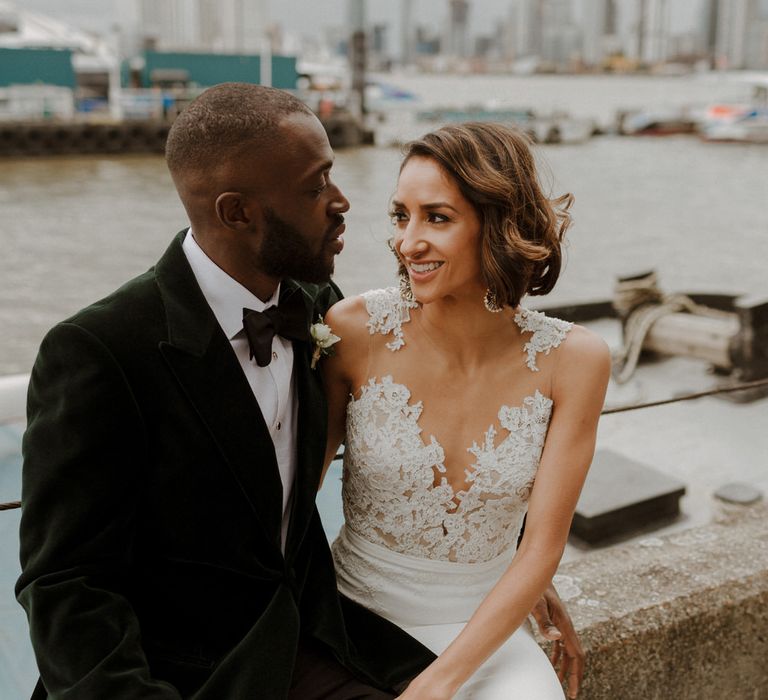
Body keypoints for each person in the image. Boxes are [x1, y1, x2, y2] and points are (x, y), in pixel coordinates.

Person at [17, 83, 582, 699]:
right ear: (238, 212)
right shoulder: (100, 349)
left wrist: (506, 561)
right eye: (316, 187)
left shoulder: (319, 311)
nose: (343, 203)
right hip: (177, 667)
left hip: (314, 635)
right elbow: (66, 582)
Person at [321, 122, 611, 699]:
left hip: (484, 630)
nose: (408, 242)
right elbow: (294, 495)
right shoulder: (352, 333)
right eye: (402, 215)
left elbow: (542, 548)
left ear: (498, 225)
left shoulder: (575, 361)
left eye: (438, 217)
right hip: (350, 614)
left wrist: (438, 685)